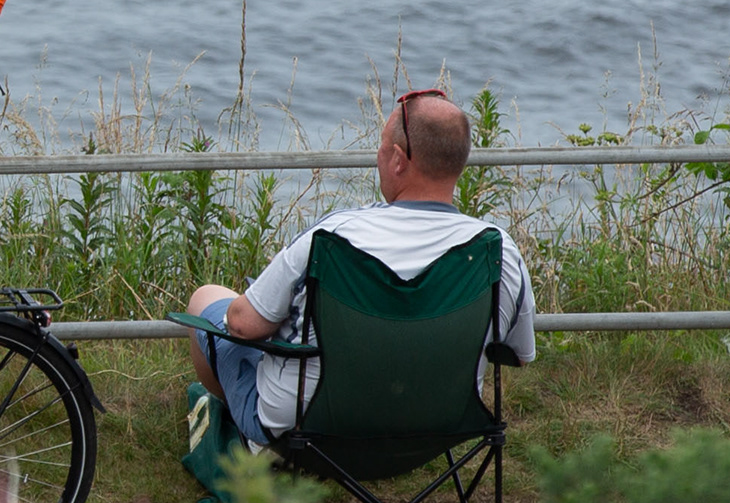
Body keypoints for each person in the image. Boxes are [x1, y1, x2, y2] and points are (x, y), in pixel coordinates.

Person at [187, 88, 536, 444]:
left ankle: (255, 446)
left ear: (398, 160)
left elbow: (243, 325)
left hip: (310, 427)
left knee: (208, 299)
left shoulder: (334, 237)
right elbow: (519, 355)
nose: (379, 154)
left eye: (382, 145)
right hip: (440, 428)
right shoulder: (499, 251)